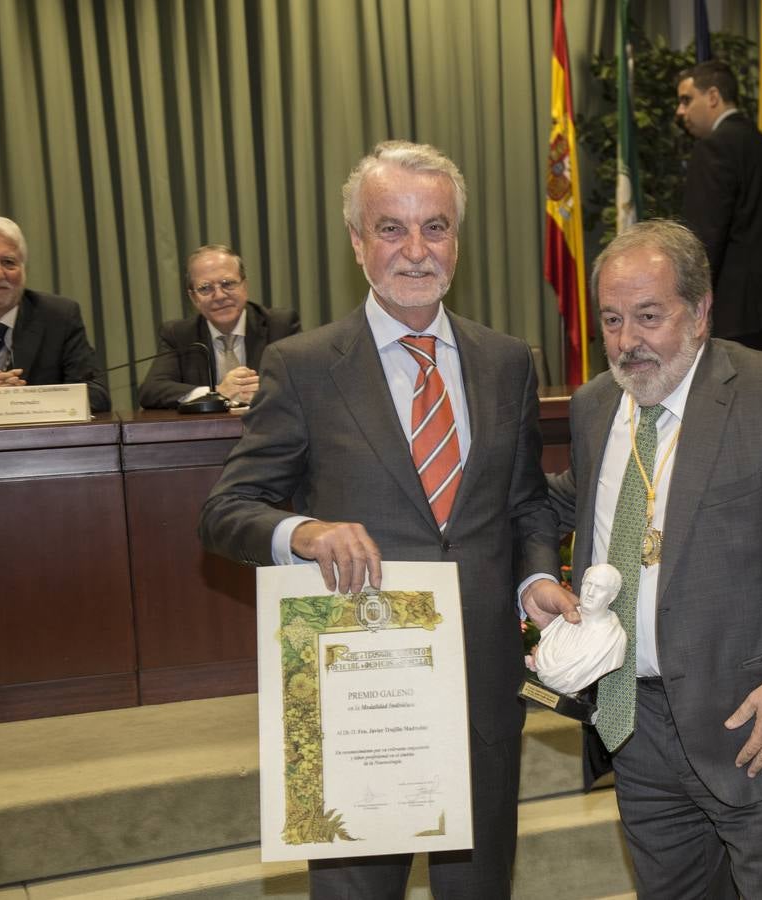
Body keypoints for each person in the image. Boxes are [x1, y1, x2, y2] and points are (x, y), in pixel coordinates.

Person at [198, 140, 577, 899]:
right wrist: (302, 533)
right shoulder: (303, 367)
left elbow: (526, 501)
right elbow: (225, 511)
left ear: (457, 239)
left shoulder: (506, 361)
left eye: (434, 227)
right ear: (357, 241)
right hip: (358, 699)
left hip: (482, 690)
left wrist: (535, 572)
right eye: (391, 229)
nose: (415, 251)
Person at [548, 220, 762, 898]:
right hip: (634, 732)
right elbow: (550, 507)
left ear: (700, 312)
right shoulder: (593, 410)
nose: (627, 342)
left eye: (649, 316)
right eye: (612, 320)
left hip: (759, 729)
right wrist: (533, 577)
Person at [676, 59, 762, 356]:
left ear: (713, 97)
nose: (680, 112)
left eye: (686, 99)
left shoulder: (714, 147)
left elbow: (704, 239)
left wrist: (688, 305)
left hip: (737, 318)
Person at [0, 216, 110, 412]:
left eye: (9, 262)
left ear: (24, 270)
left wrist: (24, 401)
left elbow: (97, 394)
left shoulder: (59, 316)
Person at [138, 244, 300, 409]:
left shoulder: (280, 325)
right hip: (208, 432)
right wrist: (216, 393)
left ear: (244, 286)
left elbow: (304, 381)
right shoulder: (179, 334)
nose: (220, 296)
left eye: (228, 283)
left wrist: (262, 392)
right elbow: (151, 390)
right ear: (193, 297)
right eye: (205, 288)